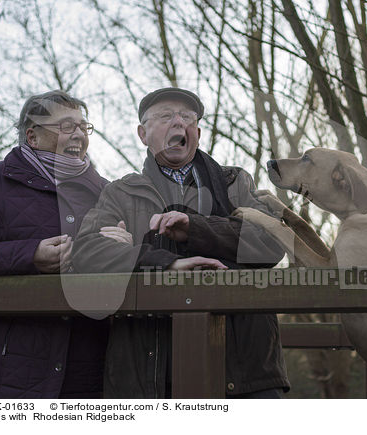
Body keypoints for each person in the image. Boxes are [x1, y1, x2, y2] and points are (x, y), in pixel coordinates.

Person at [73, 87, 290, 398]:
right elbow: (86, 254)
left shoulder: (235, 183)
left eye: (186, 117)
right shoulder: (120, 193)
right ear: (142, 133)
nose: (177, 123)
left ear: (197, 133)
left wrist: (195, 228)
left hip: (244, 374)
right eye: (164, 116)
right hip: (146, 375)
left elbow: (271, 244)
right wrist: (166, 263)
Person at [0, 90, 119, 398]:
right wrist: (30, 255)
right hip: (0, 367)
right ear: (33, 135)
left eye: (84, 127)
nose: (79, 135)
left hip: (83, 364)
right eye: (67, 126)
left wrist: (118, 248)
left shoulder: (107, 193)